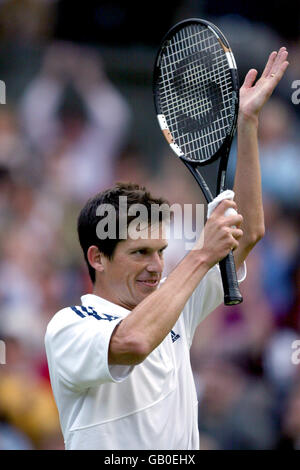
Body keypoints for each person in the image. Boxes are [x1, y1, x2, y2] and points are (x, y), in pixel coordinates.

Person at [44, 48, 289, 450]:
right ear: (97, 258)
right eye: (140, 252)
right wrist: (200, 255)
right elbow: (133, 343)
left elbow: (247, 233)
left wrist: (247, 124)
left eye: (160, 251)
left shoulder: (173, 304)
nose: (156, 265)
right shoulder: (68, 326)